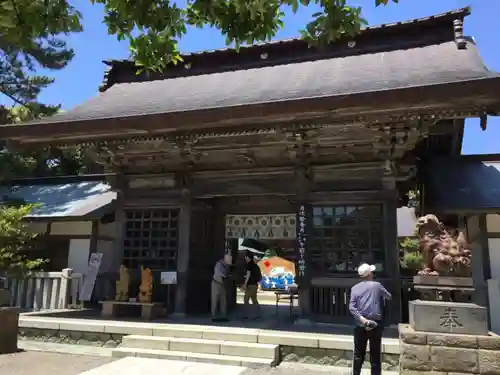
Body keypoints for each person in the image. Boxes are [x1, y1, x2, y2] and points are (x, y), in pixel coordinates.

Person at [348, 263, 392, 375]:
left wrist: (362, 319)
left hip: (360, 324)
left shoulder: (354, 288)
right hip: (375, 323)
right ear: (369, 274)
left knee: (358, 354)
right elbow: (389, 296)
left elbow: (352, 307)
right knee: (375, 354)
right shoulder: (377, 285)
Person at [241, 251, 261, 319]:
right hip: (255, 285)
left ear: (247, 257)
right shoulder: (256, 265)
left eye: (245, 257)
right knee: (254, 299)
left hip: (250, 285)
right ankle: (257, 314)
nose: (245, 258)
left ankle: (246, 315)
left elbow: (248, 275)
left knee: (246, 299)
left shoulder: (249, 265)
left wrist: (244, 284)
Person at [211, 253, 232, 322]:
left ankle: (224, 315)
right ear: (224, 259)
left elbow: (227, 272)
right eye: (228, 259)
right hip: (216, 283)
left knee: (223, 300)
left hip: (222, 284)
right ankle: (213, 316)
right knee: (214, 299)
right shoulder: (218, 264)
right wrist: (225, 276)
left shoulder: (226, 266)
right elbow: (218, 272)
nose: (229, 261)